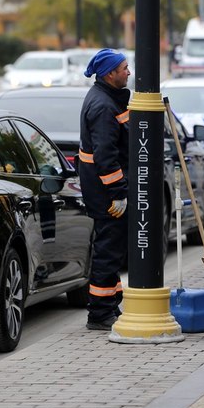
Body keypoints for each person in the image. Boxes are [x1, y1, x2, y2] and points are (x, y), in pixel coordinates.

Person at [77, 48, 131, 330]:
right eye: (124, 68)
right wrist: (118, 193)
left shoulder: (110, 98)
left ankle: (110, 304)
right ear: (110, 73)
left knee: (112, 248)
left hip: (103, 189)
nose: (129, 72)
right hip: (105, 193)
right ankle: (99, 313)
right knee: (108, 250)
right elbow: (106, 156)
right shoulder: (102, 106)